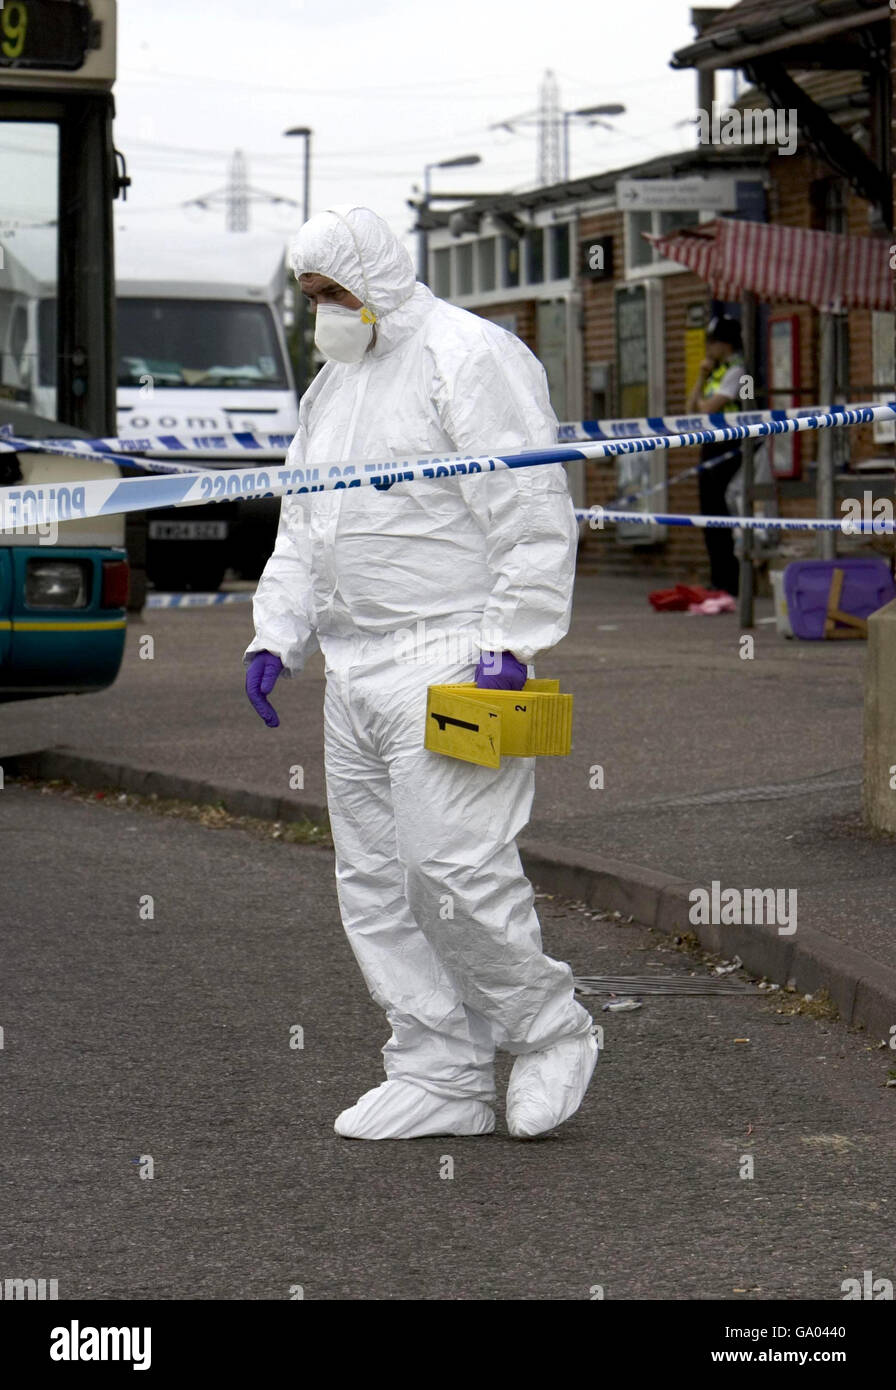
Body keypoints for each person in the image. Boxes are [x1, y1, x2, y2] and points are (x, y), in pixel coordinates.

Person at [244, 205, 597, 1141]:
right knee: (374, 879)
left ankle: (552, 1031)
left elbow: (530, 499)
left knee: (452, 866)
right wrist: (276, 632)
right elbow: (303, 520)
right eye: (311, 298)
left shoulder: (470, 357)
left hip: (451, 654)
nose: (322, 312)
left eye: (333, 294)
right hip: (354, 663)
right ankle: (439, 1067)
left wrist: (514, 642)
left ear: (378, 280)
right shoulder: (333, 388)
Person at [686, 313, 745, 596]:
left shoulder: (736, 371)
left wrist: (701, 403)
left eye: (713, 342)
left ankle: (730, 581)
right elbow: (691, 407)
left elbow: (707, 409)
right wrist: (701, 376)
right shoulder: (716, 373)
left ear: (725, 344)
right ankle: (718, 578)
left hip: (730, 446)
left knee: (721, 512)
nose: (709, 348)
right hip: (710, 445)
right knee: (708, 512)